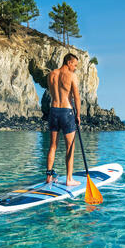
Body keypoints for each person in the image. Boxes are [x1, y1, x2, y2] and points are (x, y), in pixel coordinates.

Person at [46, 53, 81, 186]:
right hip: (67, 112)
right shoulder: (72, 76)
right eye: (75, 65)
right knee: (70, 147)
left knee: (53, 146)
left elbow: (52, 92)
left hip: (53, 111)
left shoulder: (51, 75)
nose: (75, 68)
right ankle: (69, 179)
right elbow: (76, 97)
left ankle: (48, 177)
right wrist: (78, 115)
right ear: (68, 62)